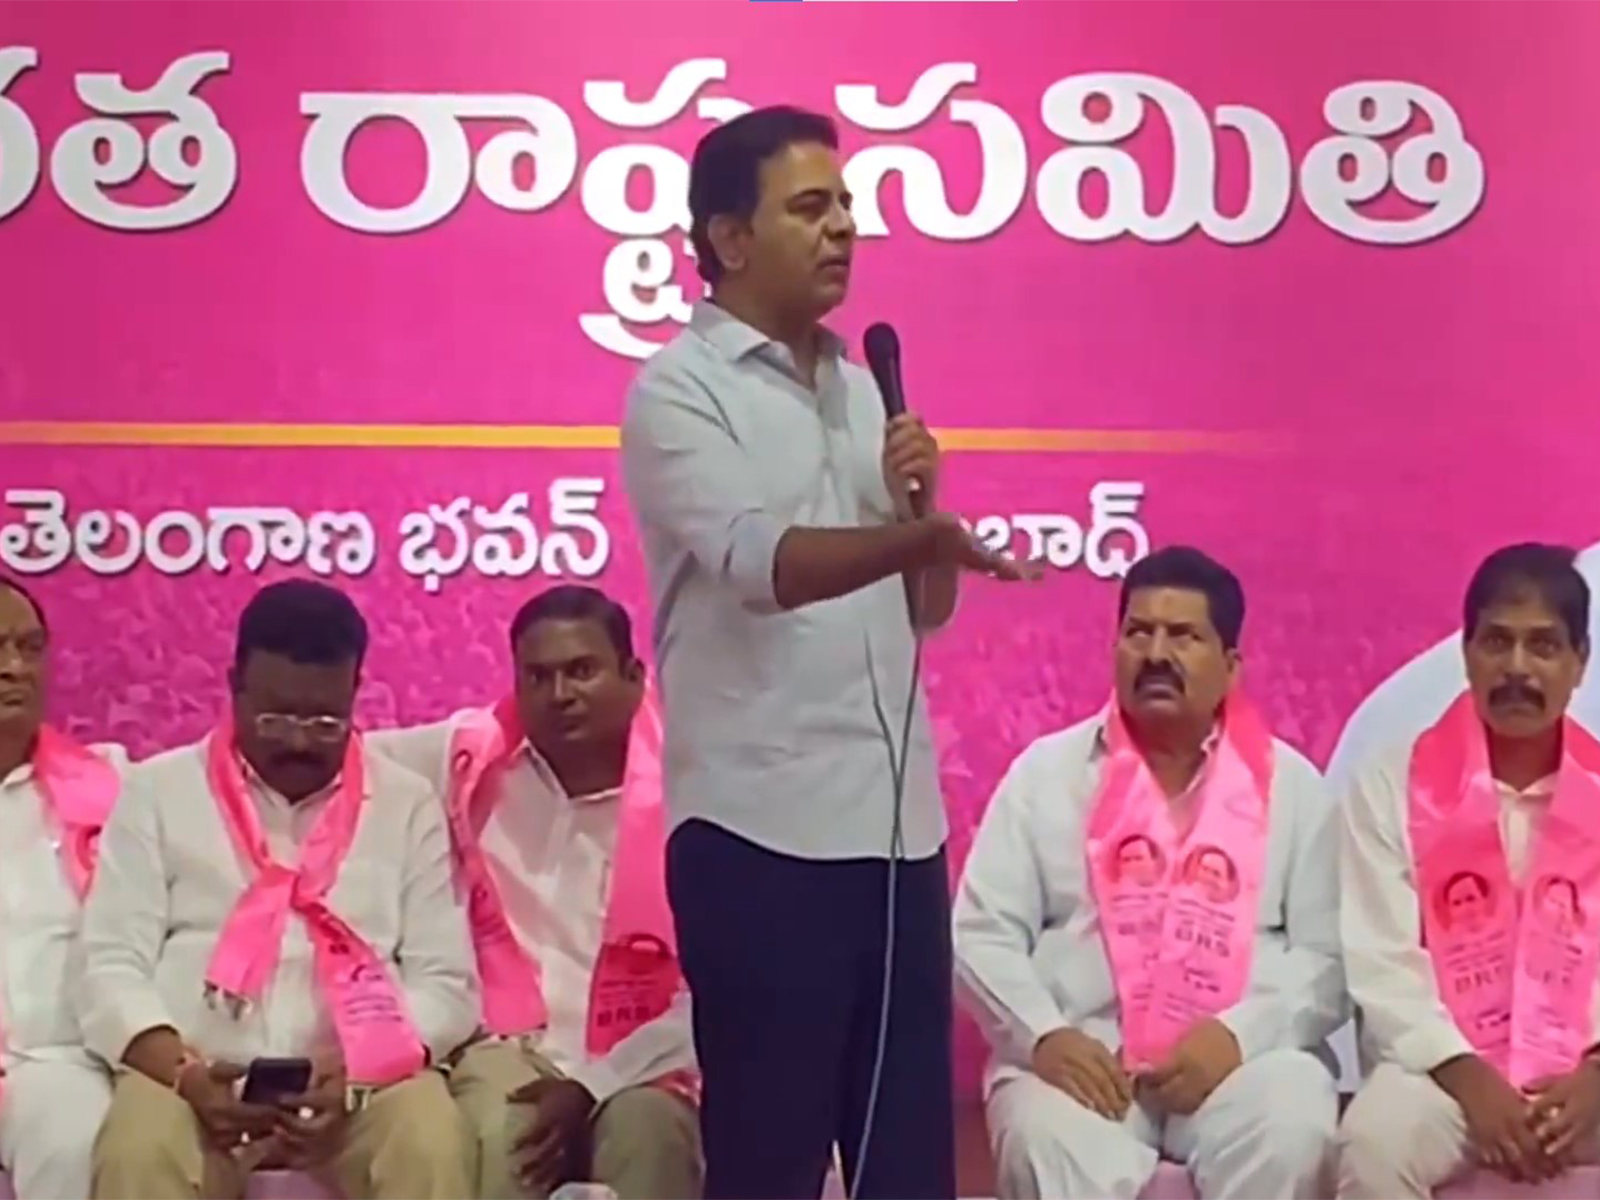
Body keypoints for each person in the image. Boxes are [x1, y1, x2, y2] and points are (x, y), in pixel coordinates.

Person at [619, 104, 1030, 1200]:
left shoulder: (861, 390)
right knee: (769, 1160)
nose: (843, 227)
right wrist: (918, 534)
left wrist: (923, 514)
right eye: (811, 207)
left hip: (894, 838)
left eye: (846, 204)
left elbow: (923, 609)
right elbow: (762, 565)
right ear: (728, 238)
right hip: (759, 837)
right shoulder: (677, 391)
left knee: (907, 1167)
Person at [954, 546, 1345, 1199]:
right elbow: (979, 935)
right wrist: (1044, 1036)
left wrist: (1237, 1037)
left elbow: (1329, 955)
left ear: (1230, 666)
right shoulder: (1046, 775)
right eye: (1139, 632)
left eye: (1184, 636)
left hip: (1238, 1062)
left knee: (1294, 1118)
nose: (1156, 653)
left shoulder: (1292, 786)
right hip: (1086, 1055)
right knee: (1041, 1135)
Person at [77, 580, 479, 1200]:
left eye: (325, 721)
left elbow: (447, 984)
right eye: (276, 716)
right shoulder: (158, 792)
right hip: (191, 1080)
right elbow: (109, 966)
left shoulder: (406, 804)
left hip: (362, 1088)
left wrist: (360, 1071)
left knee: (430, 1140)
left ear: (355, 694)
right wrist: (185, 1075)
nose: (297, 741)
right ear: (234, 685)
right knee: (138, 1150)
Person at [371, 585, 701, 1200]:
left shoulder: (698, 791)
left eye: (582, 671)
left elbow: (713, 990)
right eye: (538, 676)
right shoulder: (470, 756)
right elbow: (343, 757)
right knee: (501, 1131)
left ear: (633, 675)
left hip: (647, 1060)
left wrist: (592, 1086)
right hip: (508, 1047)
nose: (561, 695)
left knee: (649, 1135)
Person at [1338, 544, 1600, 1197]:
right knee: (1375, 1142)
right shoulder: (1392, 780)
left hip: (1585, 1078)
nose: (1517, 668)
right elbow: (1381, 960)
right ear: (1466, 652)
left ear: (1580, 663)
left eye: (1543, 647)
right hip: (1441, 1074)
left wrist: (1595, 1076)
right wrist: (1468, 1075)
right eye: (1498, 643)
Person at [0, 578, 123, 1198]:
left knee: (81, 1138)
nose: (13, 668)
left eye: (28, 647)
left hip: (60, 1061)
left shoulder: (112, 789)